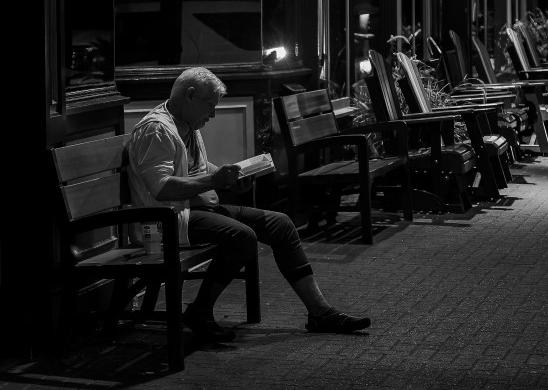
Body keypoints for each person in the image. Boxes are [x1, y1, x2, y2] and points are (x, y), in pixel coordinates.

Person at [126, 67, 371, 342]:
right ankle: (200, 311)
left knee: (281, 224)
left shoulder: (187, 123)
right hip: (166, 220)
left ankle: (320, 311)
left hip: (194, 210)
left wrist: (231, 177)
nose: (213, 114)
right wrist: (214, 181)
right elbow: (161, 188)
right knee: (242, 238)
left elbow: (196, 168)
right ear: (190, 95)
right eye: (210, 105)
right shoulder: (157, 129)